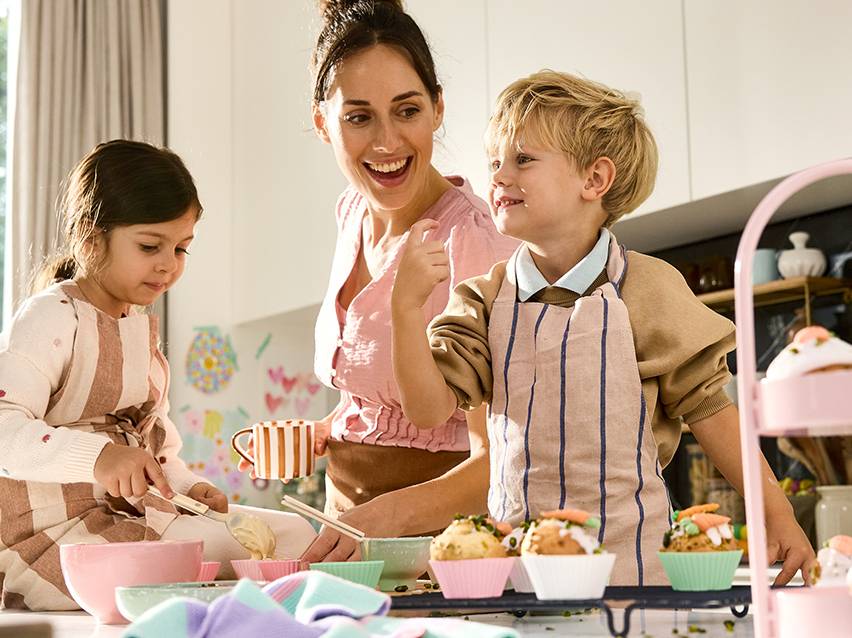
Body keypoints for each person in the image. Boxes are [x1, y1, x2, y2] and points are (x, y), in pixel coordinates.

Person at [390, 70, 816, 585]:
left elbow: (712, 414)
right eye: (494, 161)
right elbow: (428, 409)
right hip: (518, 583)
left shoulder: (648, 289)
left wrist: (778, 514)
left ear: (594, 180)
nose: (498, 176)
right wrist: (406, 311)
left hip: (635, 582)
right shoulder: (483, 300)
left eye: (523, 158)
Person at [251, 0, 517, 563]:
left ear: (438, 107)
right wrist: (327, 431)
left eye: (407, 110)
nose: (387, 142)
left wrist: (386, 515)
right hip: (352, 527)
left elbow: (505, 457)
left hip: (443, 547)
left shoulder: (475, 243)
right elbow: (385, 396)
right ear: (323, 123)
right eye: (359, 116)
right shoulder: (352, 214)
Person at [0, 140, 314, 610]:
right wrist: (100, 458)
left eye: (182, 248)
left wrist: (188, 488)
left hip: (132, 517)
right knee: (214, 552)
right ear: (91, 237)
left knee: (296, 533)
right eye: (150, 246)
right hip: (53, 535)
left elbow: (159, 453)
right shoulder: (52, 316)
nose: (169, 264)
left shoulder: (139, 333)